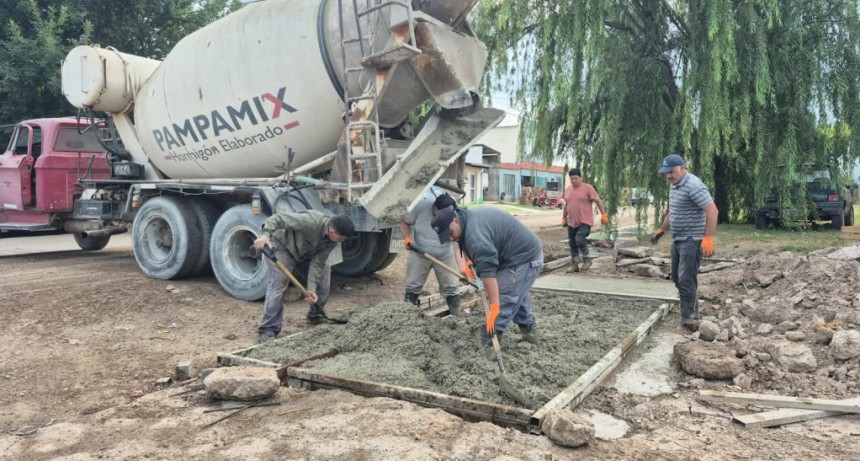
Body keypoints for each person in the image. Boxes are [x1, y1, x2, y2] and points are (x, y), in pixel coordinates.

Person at [431, 206, 544, 357]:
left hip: (524, 258)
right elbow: (467, 244)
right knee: (514, 293)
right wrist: (470, 261)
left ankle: (489, 344)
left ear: (454, 220)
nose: (450, 238)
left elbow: (488, 274)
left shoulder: (476, 237)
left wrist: (495, 306)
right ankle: (530, 333)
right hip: (512, 256)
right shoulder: (465, 220)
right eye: (446, 237)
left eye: (450, 233)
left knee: (503, 299)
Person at [253, 211, 355, 342]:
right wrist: (264, 235)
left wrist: (311, 289)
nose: (341, 242)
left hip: (304, 253)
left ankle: (316, 315)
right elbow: (278, 218)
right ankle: (268, 329)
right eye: (340, 239)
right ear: (332, 231)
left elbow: (318, 262)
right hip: (282, 246)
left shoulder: (333, 239)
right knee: (279, 283)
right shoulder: (309, 221)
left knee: (324, 271)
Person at [649, 154, 718, 329]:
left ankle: (689, 319)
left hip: (692, 240)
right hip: (678, 239)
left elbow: (712, 211)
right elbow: (674, 211)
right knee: (678, 279)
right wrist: (662, 229)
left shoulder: (694, 185)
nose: (668, 176)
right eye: (666, 173)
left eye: (671, 172)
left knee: (686, 280)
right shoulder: (675, 185)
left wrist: (708, 237)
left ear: (682, 168)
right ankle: (692, 314)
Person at [400, 190, 461, 313]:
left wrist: (463, 262)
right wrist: (407, 238)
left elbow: (458, 239)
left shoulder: (455, 216)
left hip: (445, 255)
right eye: (434, 210)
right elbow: (404, 221)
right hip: (419, 253)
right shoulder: (422, 206)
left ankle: (456, 315)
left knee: (451, 287)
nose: (434, 212)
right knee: (412, 285)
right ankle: (408, 315)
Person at [561, 167, 609, 272]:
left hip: (585, 221)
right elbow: (566, 205)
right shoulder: (568, 189)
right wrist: (564, 218)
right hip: (572, 222)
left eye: (576, 178)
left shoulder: (588, 188)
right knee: (573, 243)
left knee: (579, 239)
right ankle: (574, 265)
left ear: (580, 177)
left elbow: (598, 200)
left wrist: (604, 215)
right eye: (572, 179)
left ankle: (587, 259)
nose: (574, 180)